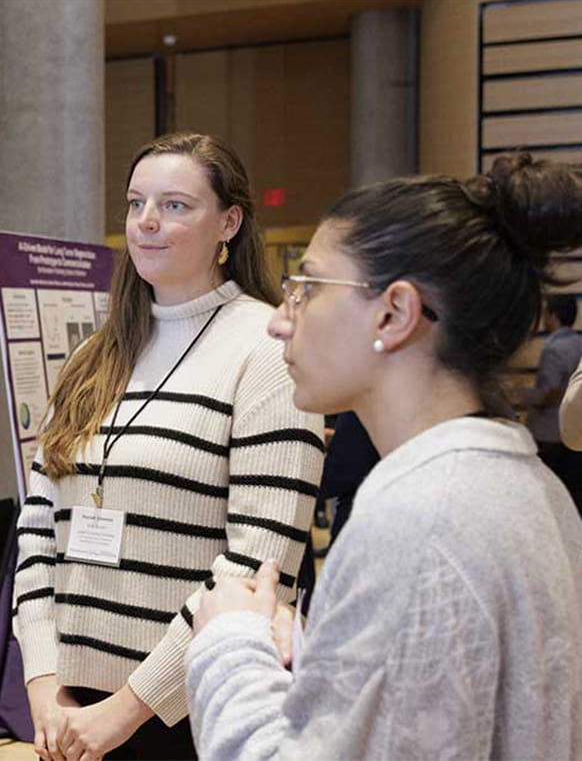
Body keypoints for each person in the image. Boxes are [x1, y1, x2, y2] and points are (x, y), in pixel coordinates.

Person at [187, 154, 582, 759]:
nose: (280, 323)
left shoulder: (417, 523)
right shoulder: (534, 490)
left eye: (308, 290)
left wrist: (229, 641)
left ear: (394, 313)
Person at [13, 133, 324, 761]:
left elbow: (258, 567)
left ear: (229, 222)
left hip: (189, 709)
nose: (147, 223)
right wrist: (44, 686)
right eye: (135, 204)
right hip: (70, 710)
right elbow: (37, 528)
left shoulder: (265, 352)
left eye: (176, 206)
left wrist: (127, 710)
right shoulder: (93, 356)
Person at [524, 295, 582, 509]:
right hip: (576, 432)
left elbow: (551, 392)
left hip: (550, 431)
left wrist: (522, 396)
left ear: (553, 315)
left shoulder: (553, 349)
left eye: (547, 313)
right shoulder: (579, 343)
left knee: (552, 496)